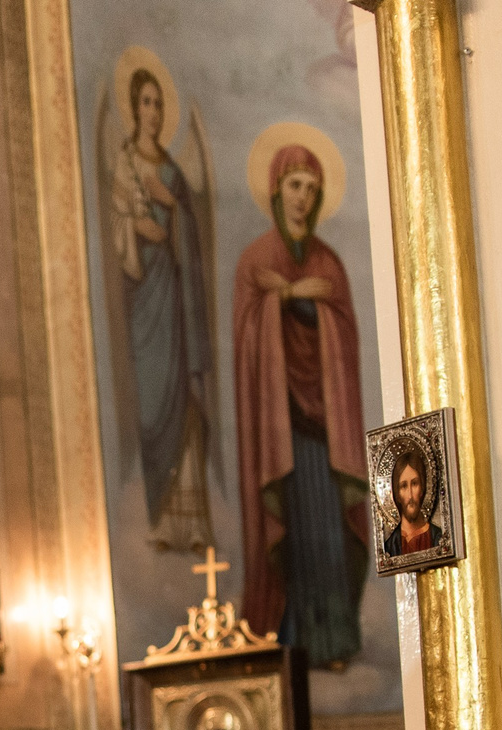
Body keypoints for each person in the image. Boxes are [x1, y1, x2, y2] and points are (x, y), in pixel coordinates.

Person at [233, 139, 369, 669]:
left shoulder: (328, 263)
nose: (303, 199)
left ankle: (332, 642)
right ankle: (288, 639)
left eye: (313, 190)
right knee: (291, 533)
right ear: (275, 188)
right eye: (295, 186)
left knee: (329, 536)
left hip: (322, 428)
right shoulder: (256, 260)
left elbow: (345, 338)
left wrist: (312, 303)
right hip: (279, 425)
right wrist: (282, 302)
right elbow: (246, 342)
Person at [108, 64, 214, 551]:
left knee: (182, 398)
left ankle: (190, 522)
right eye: (144, 102)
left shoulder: (170, 172)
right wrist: (138, 226)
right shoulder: (125, 165)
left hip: (173, 296)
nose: (152, 111)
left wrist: (170, 204)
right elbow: (121, 231)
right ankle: (160, 524)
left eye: (158, 103)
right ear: (133, 108)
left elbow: (187, 233)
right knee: (153, 401)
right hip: (142, 301)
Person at [381, 439, 444, 560]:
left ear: (422, 488)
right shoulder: (390, 547)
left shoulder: (438, 537)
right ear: (397, 494)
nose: (410, 495)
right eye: (403, 486)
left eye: (414, 484)